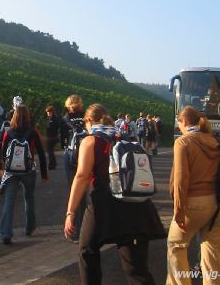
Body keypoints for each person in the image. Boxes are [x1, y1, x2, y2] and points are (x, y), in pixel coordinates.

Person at [64, 103, 164, 284]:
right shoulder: (126, 137)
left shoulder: (91, 140)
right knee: (135, 268)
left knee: (88, 250)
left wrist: (70, 212)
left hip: (104, 203)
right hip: (136, 203)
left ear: (88, 121)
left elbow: (81, 176)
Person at [166, 106, 220, 285]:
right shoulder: (214, 140)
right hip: (218, 205)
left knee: (176, 246)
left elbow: (181, 179)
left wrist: (178, 210)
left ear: (183, 122)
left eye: (179, 123)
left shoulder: (183, 142)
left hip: (194, 205)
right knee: (213, 257)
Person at [0, 105, 48, 244]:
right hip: (28, 170)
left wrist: (4, 167)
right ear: (28, 116)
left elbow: (2, 153)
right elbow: (41, 154)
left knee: (9, 200)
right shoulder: (33, 132)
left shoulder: (8, 133)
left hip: (11, 172)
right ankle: (29, 227)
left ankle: (6, 233)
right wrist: (44, 174)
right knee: (29, 197)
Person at [59, 94, 86, 242]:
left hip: (71, 157)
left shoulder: (64, 119)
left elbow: (62, 140)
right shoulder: (85, 117)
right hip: (85, 156)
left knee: (74, 191)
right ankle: (86, 228)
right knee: (84, 193)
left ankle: (74, 231)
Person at [45, 106, 60, 170]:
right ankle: (53, 163)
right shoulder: (53, 117)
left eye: (48, 112)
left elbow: (51, 127)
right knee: (50, 150)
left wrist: (47, 127)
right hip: (53, 136)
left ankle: (52, 165)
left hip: (52, 136)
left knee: (50, 150)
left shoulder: (53, 118)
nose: (47, 113)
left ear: (51, 112)